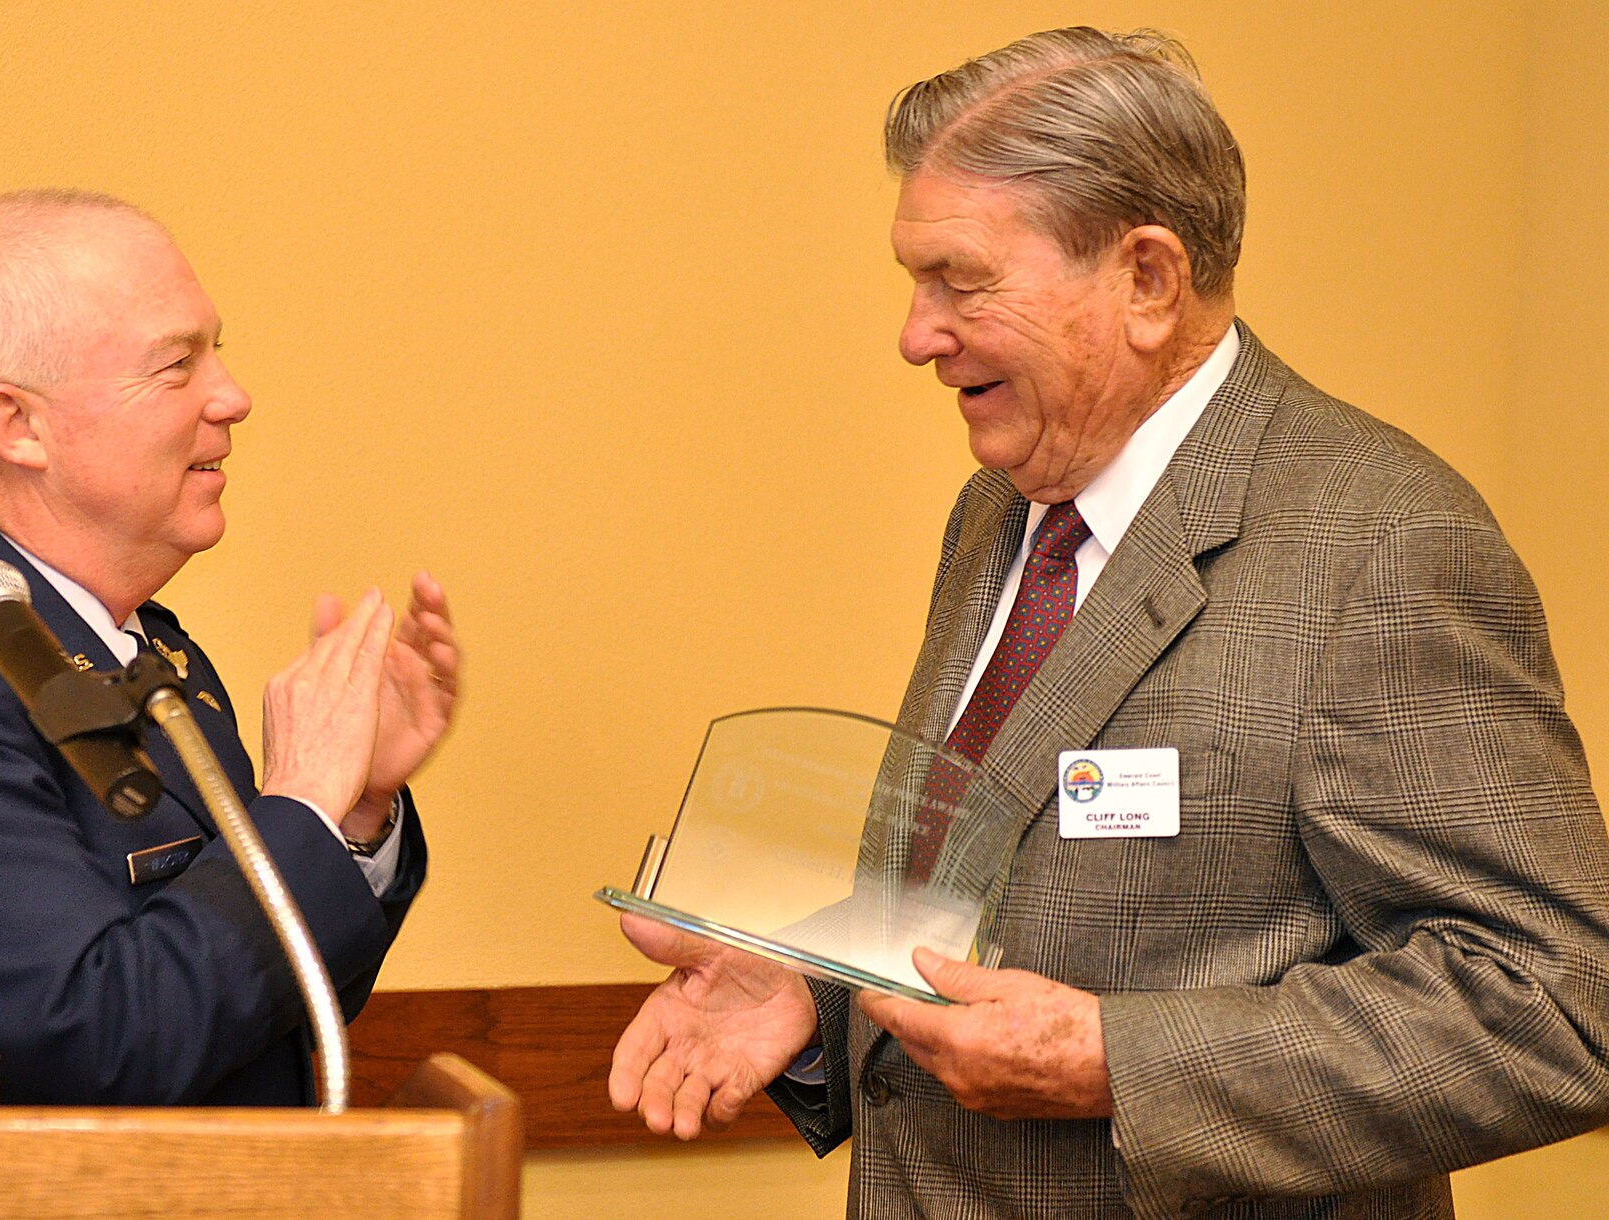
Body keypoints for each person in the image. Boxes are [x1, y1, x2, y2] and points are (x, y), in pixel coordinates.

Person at [610, 27, 1609, 1218]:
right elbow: (1001, 886)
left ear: (1144, 279)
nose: (914, 334)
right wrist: (811, 993)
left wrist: (1115, 1063)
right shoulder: (1001, 509)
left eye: (958, 280)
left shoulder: (1379, 542)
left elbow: (1556, 1002)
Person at [0, 190, 460, 1106]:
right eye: (176, 365)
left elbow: (250, 1011)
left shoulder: (145, 654)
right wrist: (298, 806)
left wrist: (352, 816)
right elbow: (94, 1050)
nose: (234, 397)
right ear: (20, 427)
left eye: (217, 350)